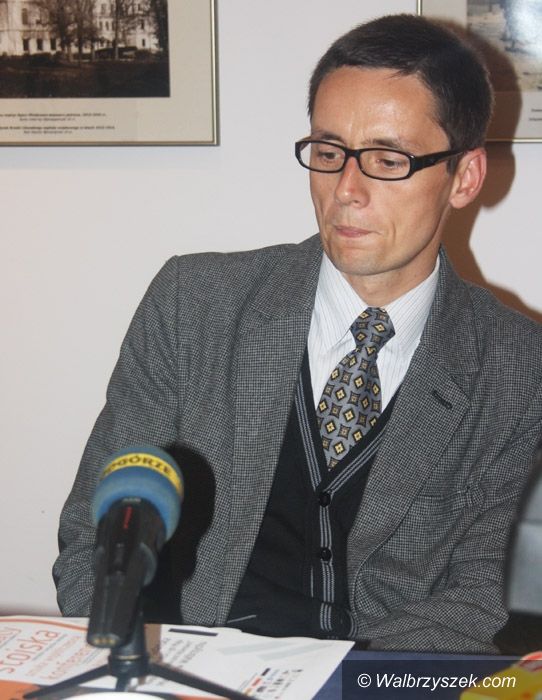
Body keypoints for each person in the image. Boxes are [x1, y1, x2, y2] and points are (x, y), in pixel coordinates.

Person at [53, 14, 542, 654]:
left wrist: (352, 687)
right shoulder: (193, 304)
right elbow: (97, 540)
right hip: (190, 668)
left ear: (465, 177)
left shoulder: (516, 364)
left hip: (383, 683)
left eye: (388, 159)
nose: (347, 191)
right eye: (329, 153)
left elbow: (482, 600)